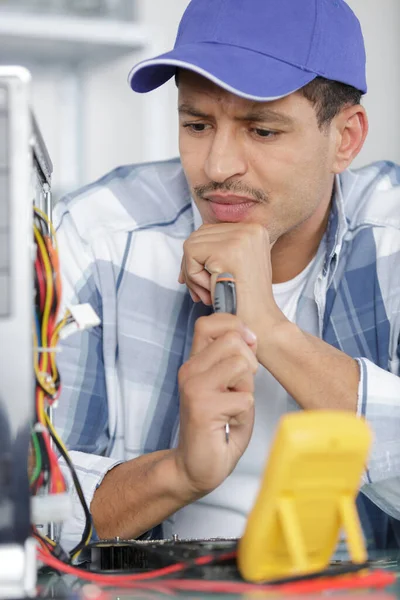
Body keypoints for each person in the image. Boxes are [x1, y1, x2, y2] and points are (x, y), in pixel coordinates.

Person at [54, 0, 400, 552]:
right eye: (196, 124)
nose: (217, 168)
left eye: (261, 131)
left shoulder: (391, 236)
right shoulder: (97, 233)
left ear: (346, 139)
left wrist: (271, 329)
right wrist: (179, 474)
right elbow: (32, 508)